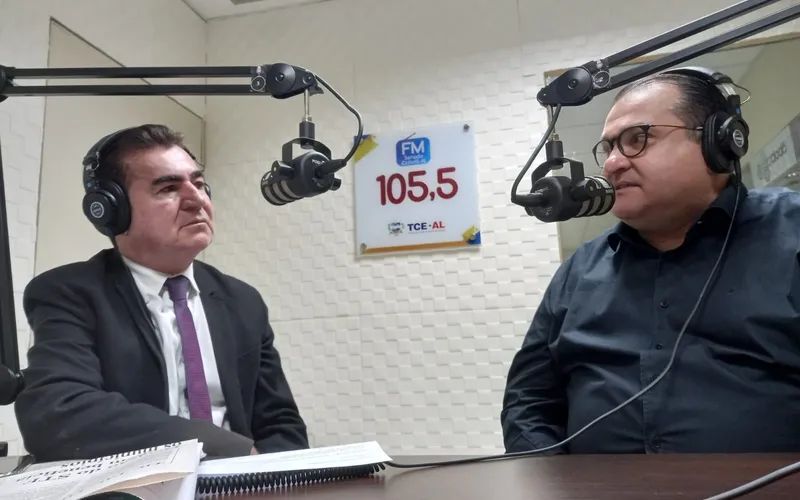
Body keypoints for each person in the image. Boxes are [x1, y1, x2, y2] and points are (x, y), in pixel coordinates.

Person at [501, 68, 800, 454]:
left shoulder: (791, 232)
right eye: (608, 148)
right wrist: (550, 475)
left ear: (718, 141)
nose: (612, 164)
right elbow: (528, 403)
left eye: (637, 139)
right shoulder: (579, 271)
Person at [15, 124, 308, 461]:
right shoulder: (69, 293)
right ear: (112, 209)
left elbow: (283, 427)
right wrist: (227, 450)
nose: (197, 200)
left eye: (199, 184)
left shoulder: (243, 301)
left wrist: (270, 476)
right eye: (168, 188)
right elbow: (58, 414)